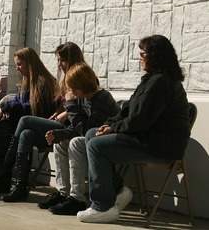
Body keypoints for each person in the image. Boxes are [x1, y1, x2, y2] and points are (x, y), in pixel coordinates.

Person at [77, 35, 190, 223]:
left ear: (155, 56)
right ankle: (117, 191)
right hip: (146, 138)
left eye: (143, 53)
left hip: (160, 146)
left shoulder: (161, 82)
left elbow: (139, 120)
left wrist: (113, 130)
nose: (140, 58)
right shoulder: (151, 80)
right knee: (91, 134)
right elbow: (127, 111)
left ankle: (103, 206)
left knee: (97, 146)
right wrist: (109, 125)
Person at [36, 63, 120, 215]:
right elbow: (78, 126)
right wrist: (59, 134)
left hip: (106, 142)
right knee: (60, 143)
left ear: (83, 85)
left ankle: (77, 198)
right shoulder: (84, 98)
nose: (71, 92)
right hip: (90, 139)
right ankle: (63, 193)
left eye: (74, 88)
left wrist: (71, 105)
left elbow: (86, 130)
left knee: (75, 143)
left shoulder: (101, 100)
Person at [0, 47, 60, 171]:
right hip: (26, 126)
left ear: (30, 63)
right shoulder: (25, 81)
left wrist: (7, 108)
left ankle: (1, 168)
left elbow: (30, 107)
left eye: (19, 64)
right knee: (7, 123)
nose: (17, 68)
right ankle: (3, 170)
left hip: (42, 124)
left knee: (8, 124)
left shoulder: (44, 82)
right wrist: (5, 108)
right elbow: (17, 101)